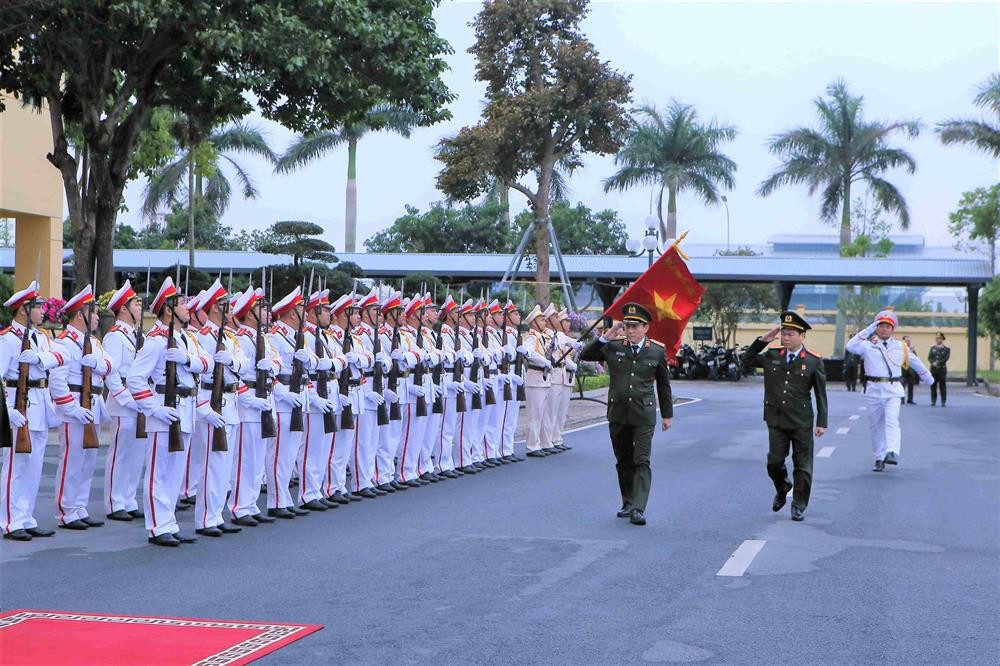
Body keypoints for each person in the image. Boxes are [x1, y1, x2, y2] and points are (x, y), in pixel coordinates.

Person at [127, 277, 209, 546]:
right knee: (159, 471)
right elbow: (135, 379)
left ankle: (168, 522)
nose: (188, 307)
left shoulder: (187, 338)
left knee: (175, 471)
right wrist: (154, 409)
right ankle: (157, 526)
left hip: (185, 409)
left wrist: (187, 359)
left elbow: (206, 364)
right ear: (168, 309)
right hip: (165, 409)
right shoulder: (156, 341)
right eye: (182, 303)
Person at [579, 303, 673, 526]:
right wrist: (607, 335)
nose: (630, 331)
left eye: (635, 327)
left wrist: (667, 415)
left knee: (641, 460)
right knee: (623, 461)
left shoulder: (656, 351)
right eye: (627, 326)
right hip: (618, 413)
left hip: (643, 414)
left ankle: (639, 508)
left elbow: (664, 385)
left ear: (646, 328)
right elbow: (586, 355)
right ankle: (628, 501)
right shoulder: (614, 346)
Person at [741, 311, 828, 522]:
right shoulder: (772, 355)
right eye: (784, 333)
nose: (785, 338)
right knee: (774, 462)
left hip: (801, 421)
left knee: (803, 466)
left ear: (802, 336)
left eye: (790, 334)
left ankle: (798, 504)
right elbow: (746, 361)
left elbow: (820, 394)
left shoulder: (814, 361)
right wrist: (762, 341)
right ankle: (782, 487)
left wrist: (821, 422)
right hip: (777, 420)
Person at [49, 285, 115, 530]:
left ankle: (79, 506)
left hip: (94, 404)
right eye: (94, 312)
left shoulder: (95, 343)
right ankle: (66, 511)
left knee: (88, 459)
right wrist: (71, 408)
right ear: (80, 314)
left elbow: (110, 365)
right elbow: (57, 382)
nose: (98, 317)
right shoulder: (63, 343)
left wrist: (97, 363)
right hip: (75, 405)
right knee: (71, 459)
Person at [1, 281, 61, 542]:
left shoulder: (41, 337)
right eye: (37, 307)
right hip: (19, 407)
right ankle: (11, 521)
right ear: (24, 310)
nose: (43, 311)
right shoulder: (7, 340)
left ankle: (26, 516)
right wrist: (6, 411)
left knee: (34, 467)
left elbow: (61, 358)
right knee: (16, 468)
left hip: (39, 406)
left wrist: (38, 359)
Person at [846, 310, 933, 472]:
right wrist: (869, 328)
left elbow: (916, 362)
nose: (884, 329)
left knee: (892, 421)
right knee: (875, 425)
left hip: (893, 390)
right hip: (873, 389)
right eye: (881, 326)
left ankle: (892, 451)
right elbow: (850, 346)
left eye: (888, 326)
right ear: (876, 327)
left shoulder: (901, 347)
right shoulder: (867, 345)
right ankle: (879, 457)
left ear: (893, 329)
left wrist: (928, 378)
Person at [102, 281, 147, 522]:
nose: (140, 308)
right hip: (124, 404)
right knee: (120, 453)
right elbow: (112, 373)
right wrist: (127, 400)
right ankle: (114, 502)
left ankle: (128, 499)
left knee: (135, 454)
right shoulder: (115, 337)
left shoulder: (137, 335)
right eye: (136, 304)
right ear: (123, 309)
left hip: (139, 401)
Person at [521, 304, 554, 458]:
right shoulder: (531, 337)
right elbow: (528, 352)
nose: (545, 322)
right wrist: (544, 361)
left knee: (541, 413)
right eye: (541, 320)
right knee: (534, 414)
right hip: (535, 376)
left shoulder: (541, 337)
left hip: (543, 378)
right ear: (534, 322)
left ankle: (540, 443)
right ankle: (532, 445)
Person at [928, 332, 950, 406]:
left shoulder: (946, 349)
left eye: (939, 338)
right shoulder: (932, 348)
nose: (937, 340)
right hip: (933, 370)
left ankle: (943, 401)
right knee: (933, 386)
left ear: (942, 339)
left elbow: (946, 358)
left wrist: (938, 363)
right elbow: (929, 357)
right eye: (936, 338)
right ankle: (933, 401)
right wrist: (933, 362)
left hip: (941, 370)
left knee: (942, 386)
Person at [901, 336, 918, 405]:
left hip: (911, 370)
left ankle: (910, 399)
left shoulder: (912, 350)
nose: (908, 342)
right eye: (907, 341)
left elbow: (916, 359)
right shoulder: (900, 349)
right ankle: (902, 399)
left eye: (909, 341)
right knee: (902, 385)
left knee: (911, 384)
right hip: (902, 369)